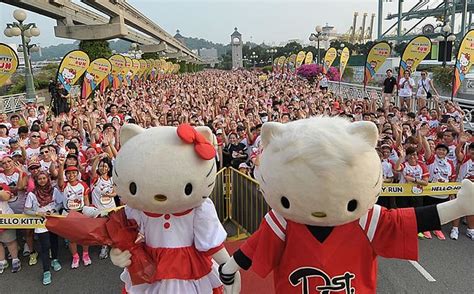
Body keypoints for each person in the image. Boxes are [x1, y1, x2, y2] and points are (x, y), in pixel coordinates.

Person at [24, 171, 62, 285]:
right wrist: (37, 213)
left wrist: (54, 210)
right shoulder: (32, 194)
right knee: (45, 247)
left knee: (54, 242)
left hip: (53, 220)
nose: (42, 180)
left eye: (44, 178)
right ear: (36, 181)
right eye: (39, 179)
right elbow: (26, 210)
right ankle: (46, 271)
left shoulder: (54, 190)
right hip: (41, 224)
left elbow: (60, 203)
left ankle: (55, 260)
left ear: (48, 178)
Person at [57, 161, 91, 269]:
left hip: (81, 212)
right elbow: (60, 180)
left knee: (84, 235)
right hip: (68, 213)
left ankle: (85, 254)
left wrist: (88, 211)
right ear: (66, 175)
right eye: (69, 174)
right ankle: (75, 256)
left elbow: (86, 199)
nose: (71, 176)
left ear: (77, 174)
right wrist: (61, 166)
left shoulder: (83, 185)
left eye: (74, 173)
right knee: (72, 238)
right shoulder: (64, 185)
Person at [89, 154, 116, 259]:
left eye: (105, 166)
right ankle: (104, 247)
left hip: (111, 208)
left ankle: (112, 245)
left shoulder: (111, 179)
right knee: (103, 229)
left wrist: (111, 195)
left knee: (112, 228)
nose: (103, 168)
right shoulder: (96, 178)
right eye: (101, 166)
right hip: (99, 210)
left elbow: (115, 192)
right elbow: (92, 169)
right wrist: (98, 158)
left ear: (109, 168)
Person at [0, 183, 21, 274]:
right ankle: (2, 261)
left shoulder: (2, 186)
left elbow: (6, 197)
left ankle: (15, 260)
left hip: (5, 218)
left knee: (10, 241)